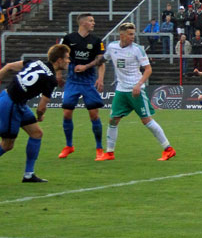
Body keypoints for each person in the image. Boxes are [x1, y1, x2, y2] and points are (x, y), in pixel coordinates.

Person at [0, 44, 71, 184]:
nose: (68, 61)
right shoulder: (51, 79)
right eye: (67, 58)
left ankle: (29, 174)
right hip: (11, 105)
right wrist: (40, 116)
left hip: (12, 100)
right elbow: (41, 107)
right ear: (58, 60)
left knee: (36, 134)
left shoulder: (36, 62)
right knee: (7, 145)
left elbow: (9, 66)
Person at [97, 22, 175, 161]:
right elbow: (102, 60)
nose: (133, 37)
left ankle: (168, 149)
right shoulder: (112, 47)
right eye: (130, 34)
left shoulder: (137, 49)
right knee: (113, 120)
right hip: (121, 90)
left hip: (136, 90)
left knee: (146, 120)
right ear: (122, 35)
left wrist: (139, 84)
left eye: (134, 34)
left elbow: (148, 69)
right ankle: (109, 152)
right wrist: (98, 76)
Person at [58, 13, 106, 159]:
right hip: (72, 81)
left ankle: (99, 148)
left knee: (93, 114)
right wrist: (59, 74)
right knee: (66, 112)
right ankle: (69, 146)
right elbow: (60, 57)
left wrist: (100, 78)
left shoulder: (96, 40)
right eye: (91, 21)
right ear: (83, 23)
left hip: (88, 82)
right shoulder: (69, 39)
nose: (94, 23)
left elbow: (101, 61)